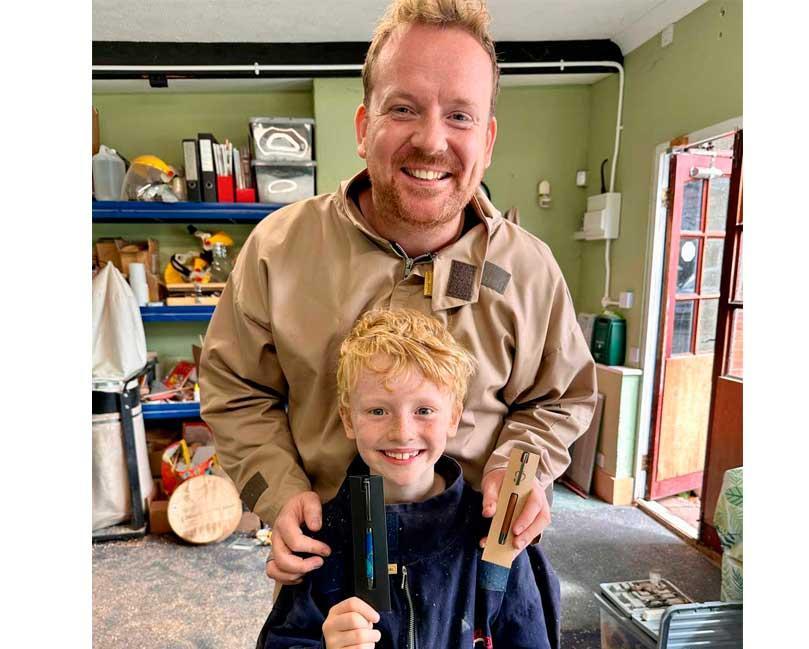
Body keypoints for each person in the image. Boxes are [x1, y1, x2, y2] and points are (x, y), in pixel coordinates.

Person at [200, 0, 596, 587]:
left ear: (486, 140)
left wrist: (522, 471)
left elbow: (559, 399)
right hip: (328, 561)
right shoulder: (277, 251)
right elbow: (235, 392)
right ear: (365, 127)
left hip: (479, 563)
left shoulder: (528, 269)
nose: (432, 140)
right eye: (404, 108)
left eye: (460, 116)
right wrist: (278, 494)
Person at [256, 308, 561, 648]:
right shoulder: (320, 540)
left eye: (424, 411)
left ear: (454, 417)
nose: (402, 432)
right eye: (377, 411)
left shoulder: (493, 538)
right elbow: (284, 639)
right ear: (348, 418)